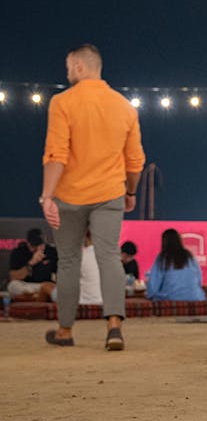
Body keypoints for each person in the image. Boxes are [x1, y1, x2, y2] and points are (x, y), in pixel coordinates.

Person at [40, 44, 146, 350]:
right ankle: (114, 327)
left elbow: (56, 155)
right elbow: (135, 161)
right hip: (109, 193)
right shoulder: (124, 106)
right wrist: (130, 191)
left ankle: (65, 331)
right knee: (109, 256)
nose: (67, 72)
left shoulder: (62, 102)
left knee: (68, 260)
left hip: (68, 195)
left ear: (80, 67)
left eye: (68, 67)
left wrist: (47, 196)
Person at [145, 228, 206, 302]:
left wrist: (149, 294)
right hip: (197, 299)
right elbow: (198, 278)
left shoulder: (163, 258)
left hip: (171, 300)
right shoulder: (189, 256)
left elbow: (153, 285)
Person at [7, 228, 57, 302]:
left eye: (41, 245)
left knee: (54, 287)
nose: (38, 248)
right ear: (28, 243)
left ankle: (37, 295)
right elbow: (13, 277)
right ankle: (40, 294)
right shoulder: (18, 252)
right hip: (29, 286)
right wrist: (31, 263)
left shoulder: (51, 251)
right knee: (12, 285)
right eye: (34, 245)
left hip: (47, 284)